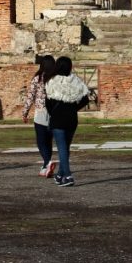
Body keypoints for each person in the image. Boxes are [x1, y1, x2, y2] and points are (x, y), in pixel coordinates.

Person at [45, 56, 91, 187]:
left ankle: (68, 175)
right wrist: (73, 108)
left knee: (62, 148)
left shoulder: (51, 81)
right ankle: (60, 174)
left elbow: (47, 103)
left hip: (58, 118)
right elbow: (86, 99)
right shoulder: (76, 81)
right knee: (66, 147)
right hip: (72, 118)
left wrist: (53, 113)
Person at [23, 55, 58, 178]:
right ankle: (45, 166)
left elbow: (30, 96)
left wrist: (25, 112)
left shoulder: (38, 79)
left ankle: (47, 162)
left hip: (41, 112)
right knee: (49, 141)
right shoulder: (57, 79)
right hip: (55, 113)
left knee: (41, 141)